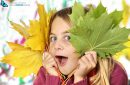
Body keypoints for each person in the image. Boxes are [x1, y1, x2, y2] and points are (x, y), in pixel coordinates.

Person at [33, 6, 128, 85]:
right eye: (53, 38)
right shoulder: (45, 73)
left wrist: (79, 78)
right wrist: (52, 77)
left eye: (68, 38)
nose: (56, 45)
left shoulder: (113, 73)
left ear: (89, 42)